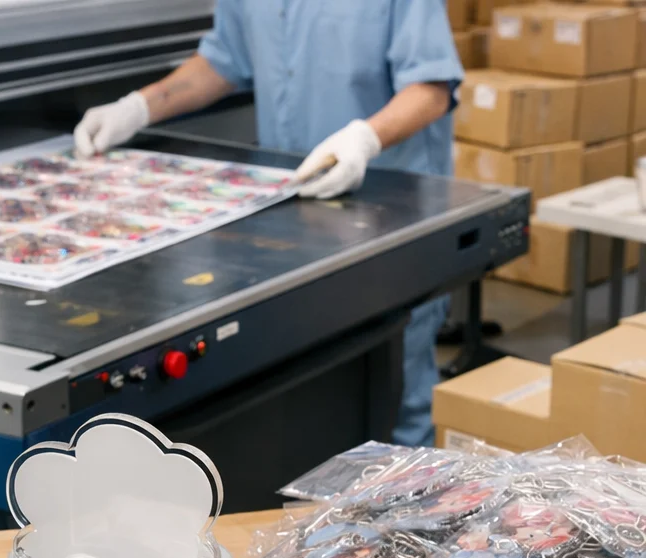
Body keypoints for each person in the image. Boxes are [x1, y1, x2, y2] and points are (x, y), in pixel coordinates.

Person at [73, 1, 463, 447]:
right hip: (296, 216)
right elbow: (223, 60)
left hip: (388, 215)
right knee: (315, 397)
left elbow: (431, 88)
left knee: (397, 394)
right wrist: (138, 108)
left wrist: (365, 138)